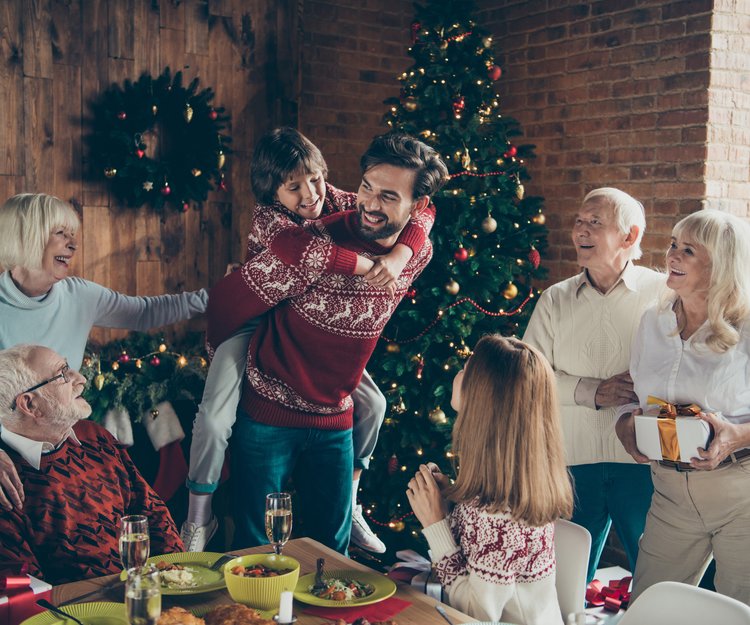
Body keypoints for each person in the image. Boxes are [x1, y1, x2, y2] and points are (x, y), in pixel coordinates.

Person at [183, 128, 435, 554]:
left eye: (314, 179)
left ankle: (353, 502)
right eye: (293, 186)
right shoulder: (272, 221)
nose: (310, 193)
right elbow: (304, 252)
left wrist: (400, 254)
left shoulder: (345, 204)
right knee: (214, 418)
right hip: (245, 314)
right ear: (272, 190)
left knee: (374, 404)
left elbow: (426, 216)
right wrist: (369, 265)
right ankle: (196, 519)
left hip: (330, 404)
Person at [0, 193, 208, 512]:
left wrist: (219, 296)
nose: (73, 245)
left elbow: (146, 312)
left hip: (63, 443)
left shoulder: (79, 295)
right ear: (26, 235)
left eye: (74, 236)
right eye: (60, 234)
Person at [523, 187, 666, 581]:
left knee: (657, 579)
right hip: (571, 464)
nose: (581, 231)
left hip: (644, 465)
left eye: (595, 223)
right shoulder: (553, 300)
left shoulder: (665, 294)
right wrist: (591, 390)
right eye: (579, 222)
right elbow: (528, 378)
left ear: (630, 236)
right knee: (564, 581)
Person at [616, 209, 750, 606]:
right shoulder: (652, 322)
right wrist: (625, 425)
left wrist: (737, 436)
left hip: (740, 493)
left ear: (722, 264)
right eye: (673, 245)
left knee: (739, 611)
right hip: (669, 491)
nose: (671, 255)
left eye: (688, 250)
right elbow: (631, 394)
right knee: (648, 606)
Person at [406, 335, 573, 624]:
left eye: (467, 369)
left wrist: (436, 526)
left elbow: (474, 616)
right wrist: (453, 500)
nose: (459, 373)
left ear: (484, 401)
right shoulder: (502, 491)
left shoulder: (498, 516)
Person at [0, 344, 183, 584]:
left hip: (145, 589)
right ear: (30, 404)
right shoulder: (7, 482)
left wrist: (180, 575)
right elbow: (27, 590)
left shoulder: (94, 436)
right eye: (63, 374)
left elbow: (151, 511)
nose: (81, 379)